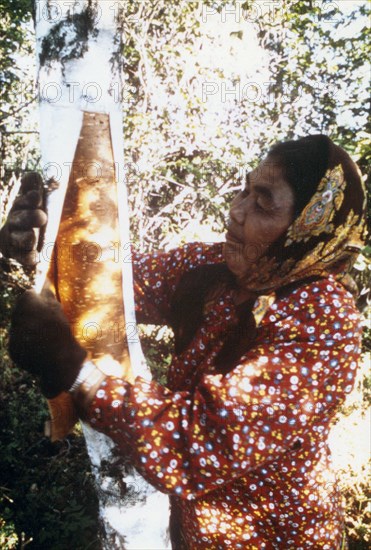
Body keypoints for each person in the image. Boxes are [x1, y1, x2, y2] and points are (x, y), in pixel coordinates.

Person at [3, 135, 367, 549]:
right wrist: (42, 251)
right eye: (245, 191)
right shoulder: (213, 271)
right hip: (194, 531)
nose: (236, 211)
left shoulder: (324, 315)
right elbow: (110, 285)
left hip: (275, 537)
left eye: (263, 203)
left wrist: (76, 373)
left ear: (310, 224)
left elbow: (200, 442)